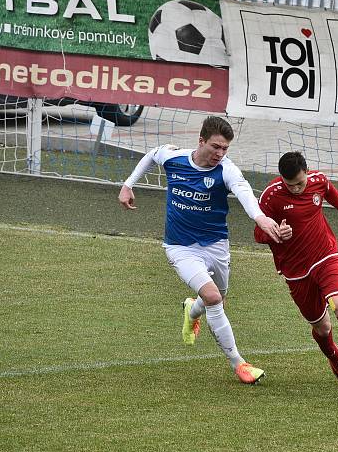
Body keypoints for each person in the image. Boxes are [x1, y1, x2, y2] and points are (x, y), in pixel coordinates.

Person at [118, 116, 282, 384]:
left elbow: (245, 195)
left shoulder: (227, 171)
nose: (220, 153)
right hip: (180, 247)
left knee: (215, 299)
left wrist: (261, 219)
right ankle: (239, 364)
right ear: (201, 141)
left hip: (216, 246)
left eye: (225, 149)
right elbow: (151, 154)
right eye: (216, 147)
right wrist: (128, 185)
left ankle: (191, 310)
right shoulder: (175, 159)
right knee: (213, 298)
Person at [254, 151, 338, 384]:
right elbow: (258, 233)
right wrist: (276, 232)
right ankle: (334, 357)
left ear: (306, 173)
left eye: (300, 183)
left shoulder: (317, 180)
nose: (297, 189)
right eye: (291, 186)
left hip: (326, 255)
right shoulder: (271, 196)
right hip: (295, 269)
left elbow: (330, 192)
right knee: (322, 327)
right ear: (281, 179)